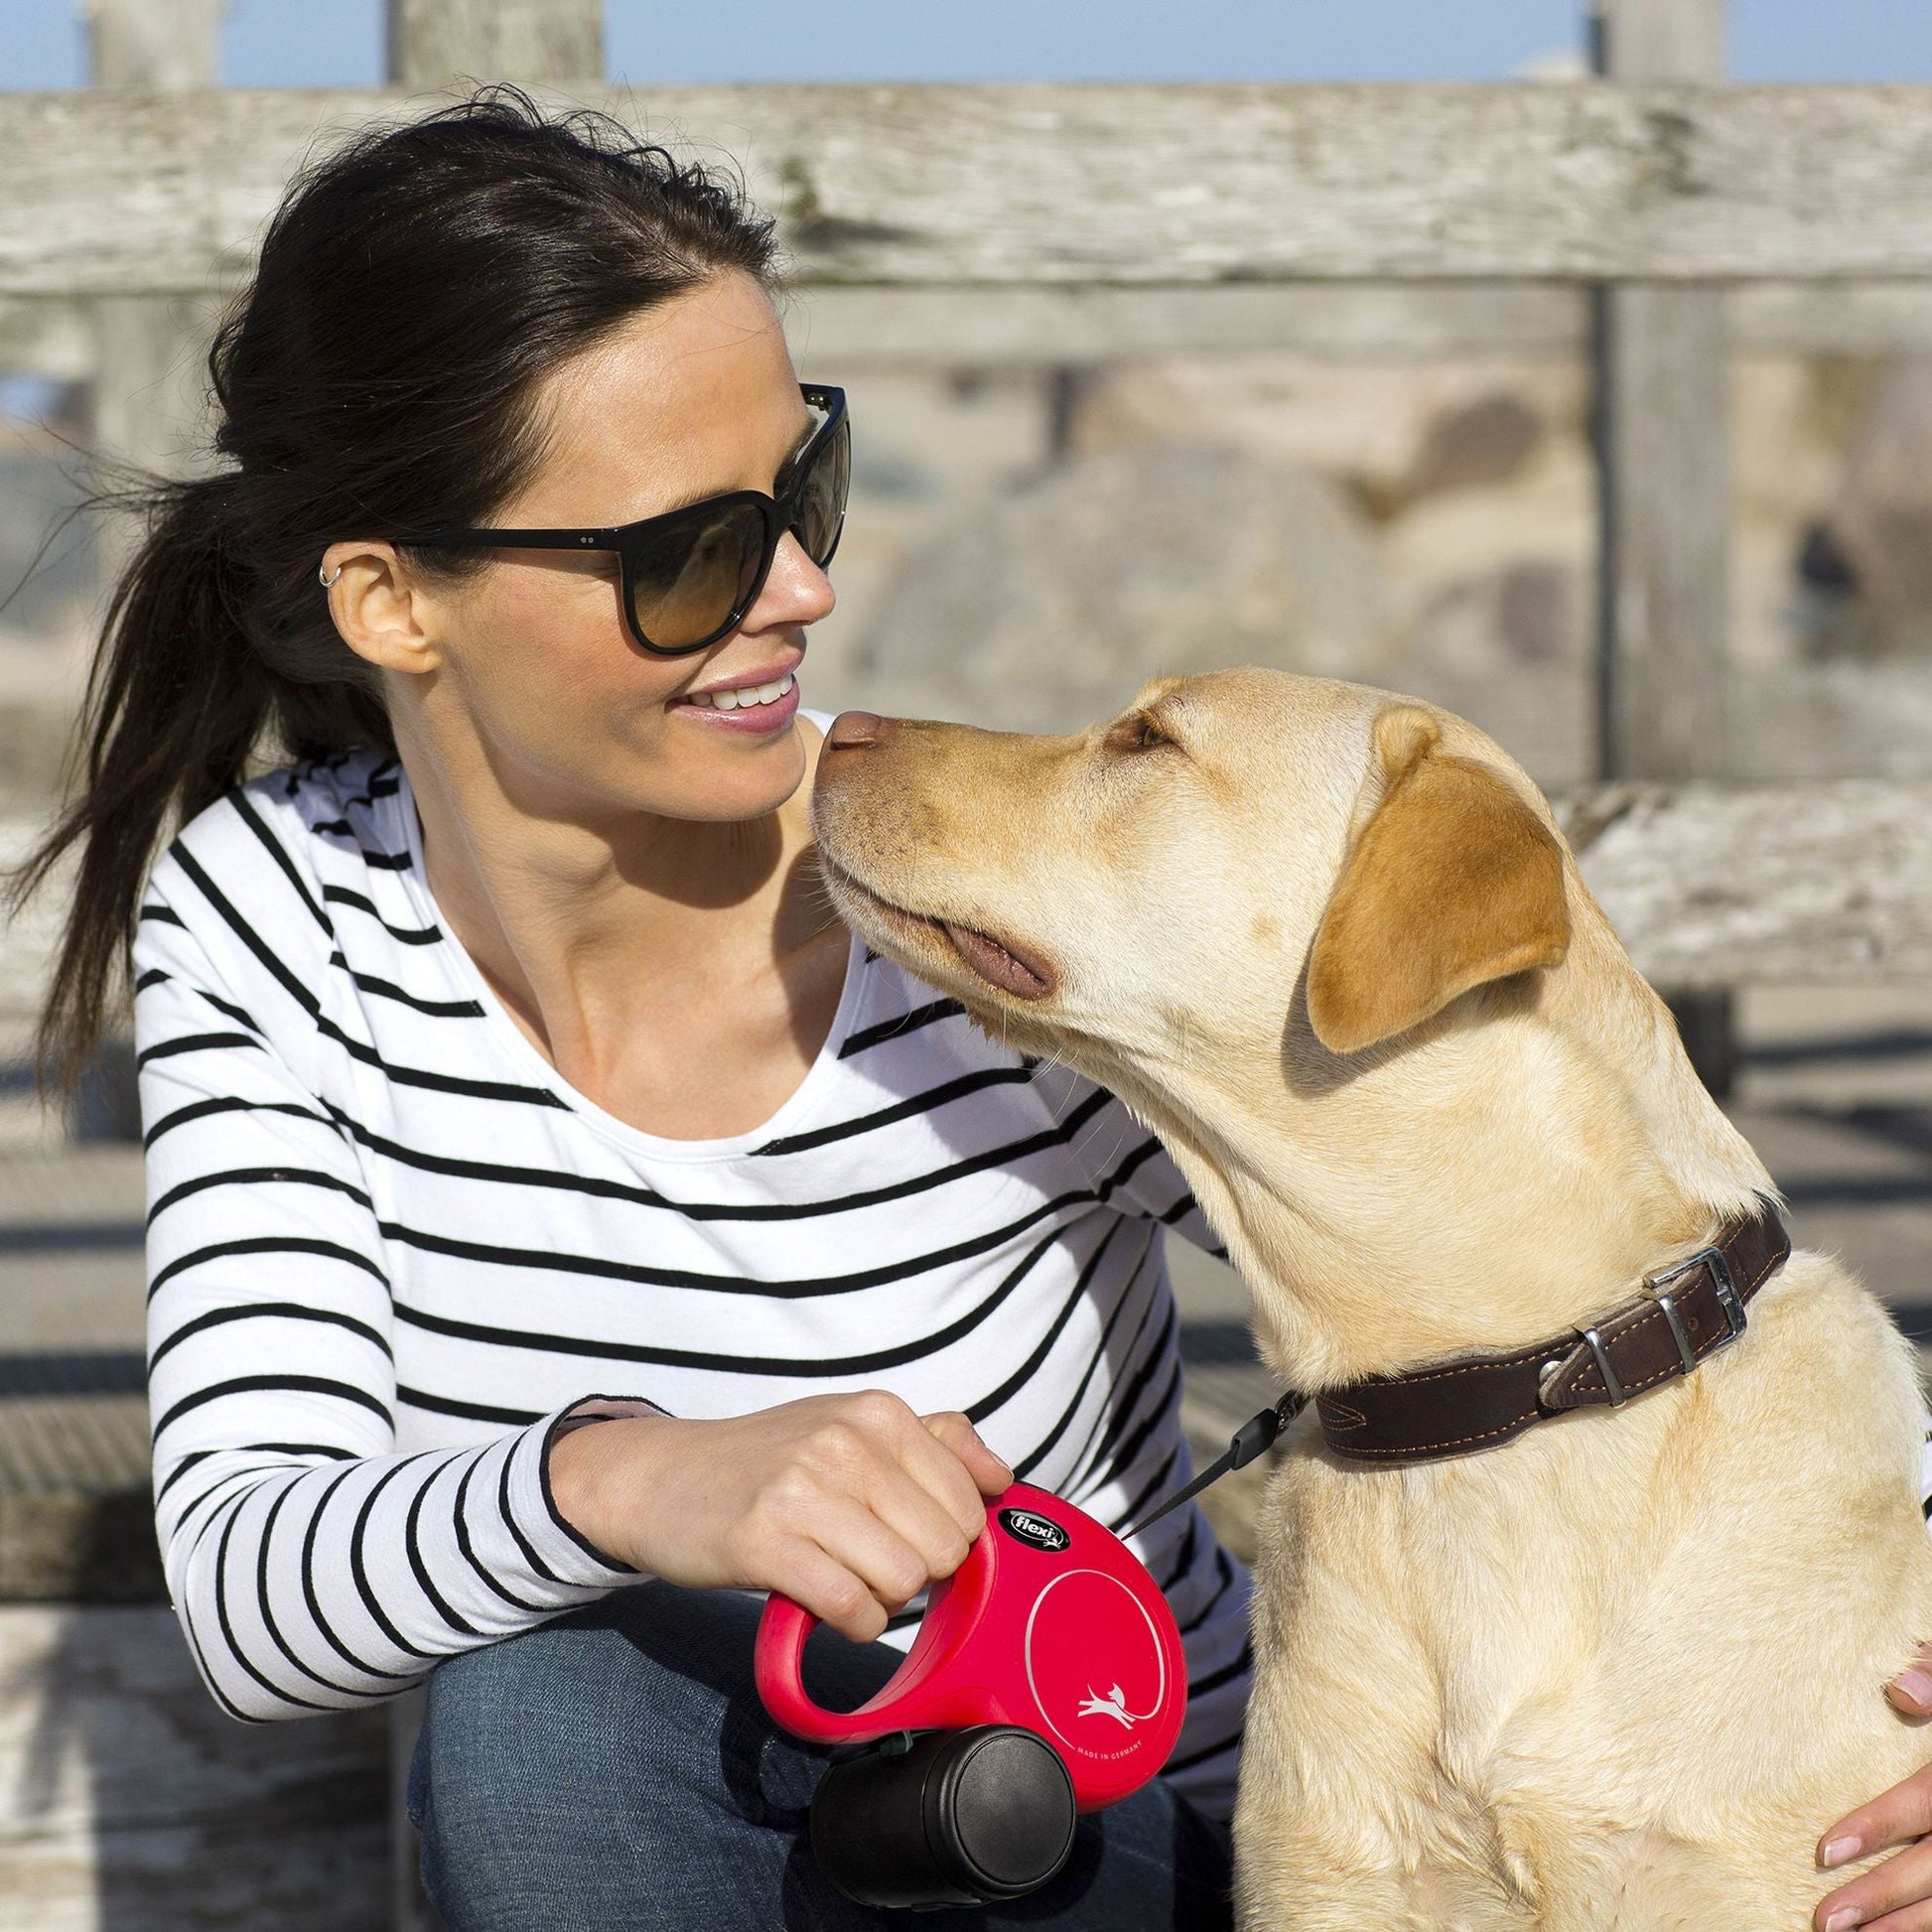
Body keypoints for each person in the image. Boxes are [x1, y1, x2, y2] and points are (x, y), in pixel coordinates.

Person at [17, 88, 1932, 1932]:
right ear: (391, 602)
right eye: (687, 552)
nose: (800, 590)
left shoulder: (974, 902)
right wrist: (640, 1474)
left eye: (805, 485)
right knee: (543, 1719)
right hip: (722, 1838)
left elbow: (1586, 1231)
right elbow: (255, 1587)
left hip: (1118, 1858)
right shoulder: (278, 919)